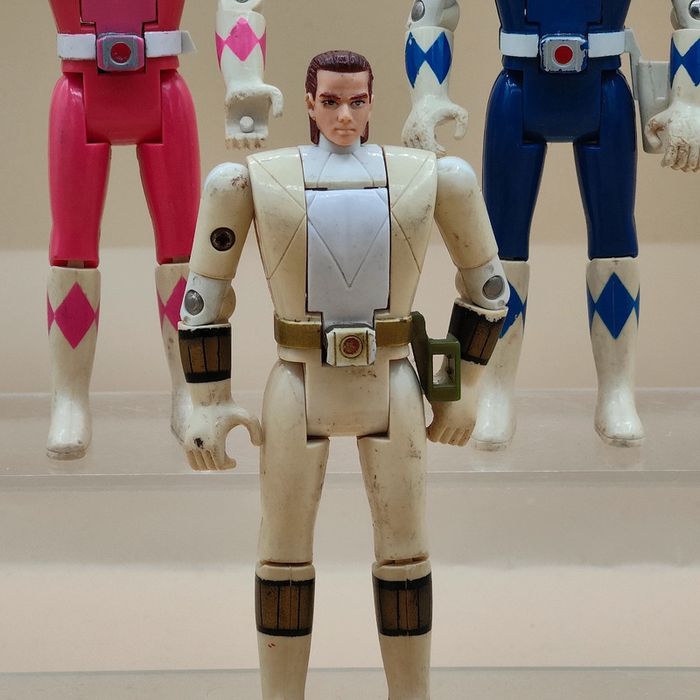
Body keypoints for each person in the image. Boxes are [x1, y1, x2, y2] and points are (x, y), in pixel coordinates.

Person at [178, 50, 508, 699]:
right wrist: (207, 400)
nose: (345, 115)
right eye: (330, 101)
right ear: (308, 102)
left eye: (357, 101)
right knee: (282, 553)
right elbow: (202, 296)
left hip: (393, 381)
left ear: (373, 100)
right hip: (297, 382)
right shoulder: (251, 180)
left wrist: (465, 387)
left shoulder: (432, 177)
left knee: (406, 553)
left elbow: (489, 287)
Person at [403, 0, 700, 448]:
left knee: (615, 243)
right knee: (500, 247)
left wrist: (688, 99)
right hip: (520, 89)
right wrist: (428, 95)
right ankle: (495, 389)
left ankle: (617, 391)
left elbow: (691, 11)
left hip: (603, 89)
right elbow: (429, 10)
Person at [46, 0, 281, 459]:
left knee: (181, 248)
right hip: (78, 93)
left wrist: (244, 80)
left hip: (163, 91)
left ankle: (188, 390)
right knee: (72, 249)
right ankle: (69, 397)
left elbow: (239, 4)